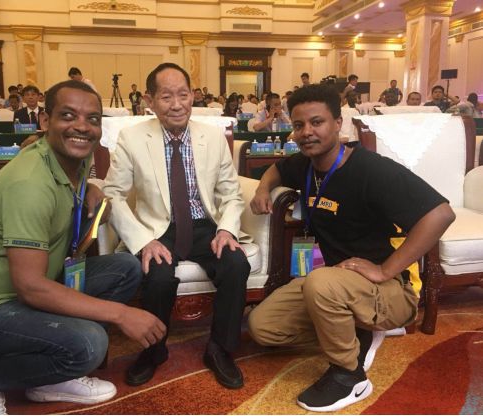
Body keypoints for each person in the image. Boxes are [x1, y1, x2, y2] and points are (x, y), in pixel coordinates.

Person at [0, 80, 166, 415]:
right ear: (45, 121)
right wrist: (122, 314)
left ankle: (48, 377)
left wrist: (90, 189)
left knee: (125, 268)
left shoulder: (73, 156)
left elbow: (71, 183)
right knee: (89, 344)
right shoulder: (29, 184)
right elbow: (30, 287)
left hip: (36, 285)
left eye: (92, 119)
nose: (82, 127)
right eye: (68, 116)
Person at [248, 84, 455, 412]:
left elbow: (441, 214)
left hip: (389, 288)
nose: (307, 132)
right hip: (336, 283)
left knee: (320, 282)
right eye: (299, 125)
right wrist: (263, 189)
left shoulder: (371, 169)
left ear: (337, 123)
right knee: (263, 327)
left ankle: (349, 375)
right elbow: (276, 169)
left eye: (317, 122)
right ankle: (359, 330)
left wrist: (385, 269)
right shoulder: (304, 165)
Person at [104, 62, 250, 390]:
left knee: (236, 264)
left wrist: (226, 229)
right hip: (158, 229)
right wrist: (143, 240)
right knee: (157, 276)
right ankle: (153, 352)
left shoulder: (212, 137)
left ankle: (220, 349)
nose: (177, 104)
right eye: (166, 96)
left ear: (192, 95)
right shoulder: (132, 138)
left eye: (183, 95)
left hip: (205, 225)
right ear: (149, 100)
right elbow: (112, 194)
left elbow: (231, 192)